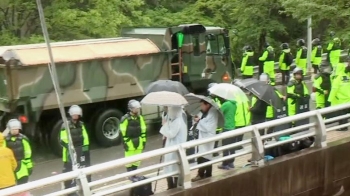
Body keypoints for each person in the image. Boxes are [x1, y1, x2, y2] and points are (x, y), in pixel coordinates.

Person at [60, 105, 90, 190]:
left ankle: (86, 188)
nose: (75, 116)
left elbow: (85, 137)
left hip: (80, 150)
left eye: (77, 115)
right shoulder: (65, 126)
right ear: (70, 115)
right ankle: (68, 190)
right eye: (74, 115)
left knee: (83, 169)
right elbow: (62, 140)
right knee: (68, 171)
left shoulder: (81, 125)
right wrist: (70, 148)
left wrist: (85, 149)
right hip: (69, 152)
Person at [191, 99, 219, 181]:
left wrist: (199, 121)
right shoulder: (206, 112)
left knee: (206, 157)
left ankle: (206, 174)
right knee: (202, 156)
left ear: (207, 105)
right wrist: (198, 119)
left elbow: (208, 127)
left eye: (202, 105)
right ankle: (202, 174)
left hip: (208, 137)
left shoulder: (213, 113)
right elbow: (202, 122)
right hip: (203, 137)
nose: (201, 107)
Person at [160, 106, 187, 189]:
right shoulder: (175, 119)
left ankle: (173, 186)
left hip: (175, 148)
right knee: (170, 167)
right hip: (172, 147)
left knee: (173, 167)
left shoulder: (178, 121)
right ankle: (171, 185)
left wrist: (165, 125)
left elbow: (171, 133)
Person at [120, 100, 147, 172]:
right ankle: (130, 175)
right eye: (136, 108)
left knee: (137, 160)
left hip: (139, 142)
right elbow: (123, 133)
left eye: (138, 108)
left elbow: (143, 129)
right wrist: (126, 142)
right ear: (131, 108)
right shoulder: (125, 119)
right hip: (129, 143)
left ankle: (134, 174)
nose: (138, 109)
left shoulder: (140, 118)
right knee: (129, 161)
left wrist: (143, 141)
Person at [4, 119, 33, 185]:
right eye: (13, 129)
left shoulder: (23, 139)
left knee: (23, 185)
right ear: (9, 129)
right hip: (10, 167)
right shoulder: (5, 140)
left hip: (22, 166)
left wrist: (29, 166)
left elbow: (28, 153)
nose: (15, 131)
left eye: (16, 129)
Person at [328, 63, 350, 131]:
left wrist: (330, 100)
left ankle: (343, 127)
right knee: (346, 113)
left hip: (340, 99)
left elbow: (334, 89)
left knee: (342, 114)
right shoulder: (347, 76)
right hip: (347, 98)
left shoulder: (337, 78)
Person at [217, 97, 237, 170]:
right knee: (232, 146)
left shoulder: (226, 104)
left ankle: (225, 164)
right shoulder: (234, 104)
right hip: (233, 126)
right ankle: (231, 163)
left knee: (225, 147)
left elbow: (219, 113)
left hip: (226, 127)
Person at [207, 83, 222, 157]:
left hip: (217, 123)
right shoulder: (208, 99)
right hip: (212, 123)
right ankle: (211, 151)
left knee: (216, 138)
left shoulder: (217, 99)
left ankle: (214, 151)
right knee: (210, 138)